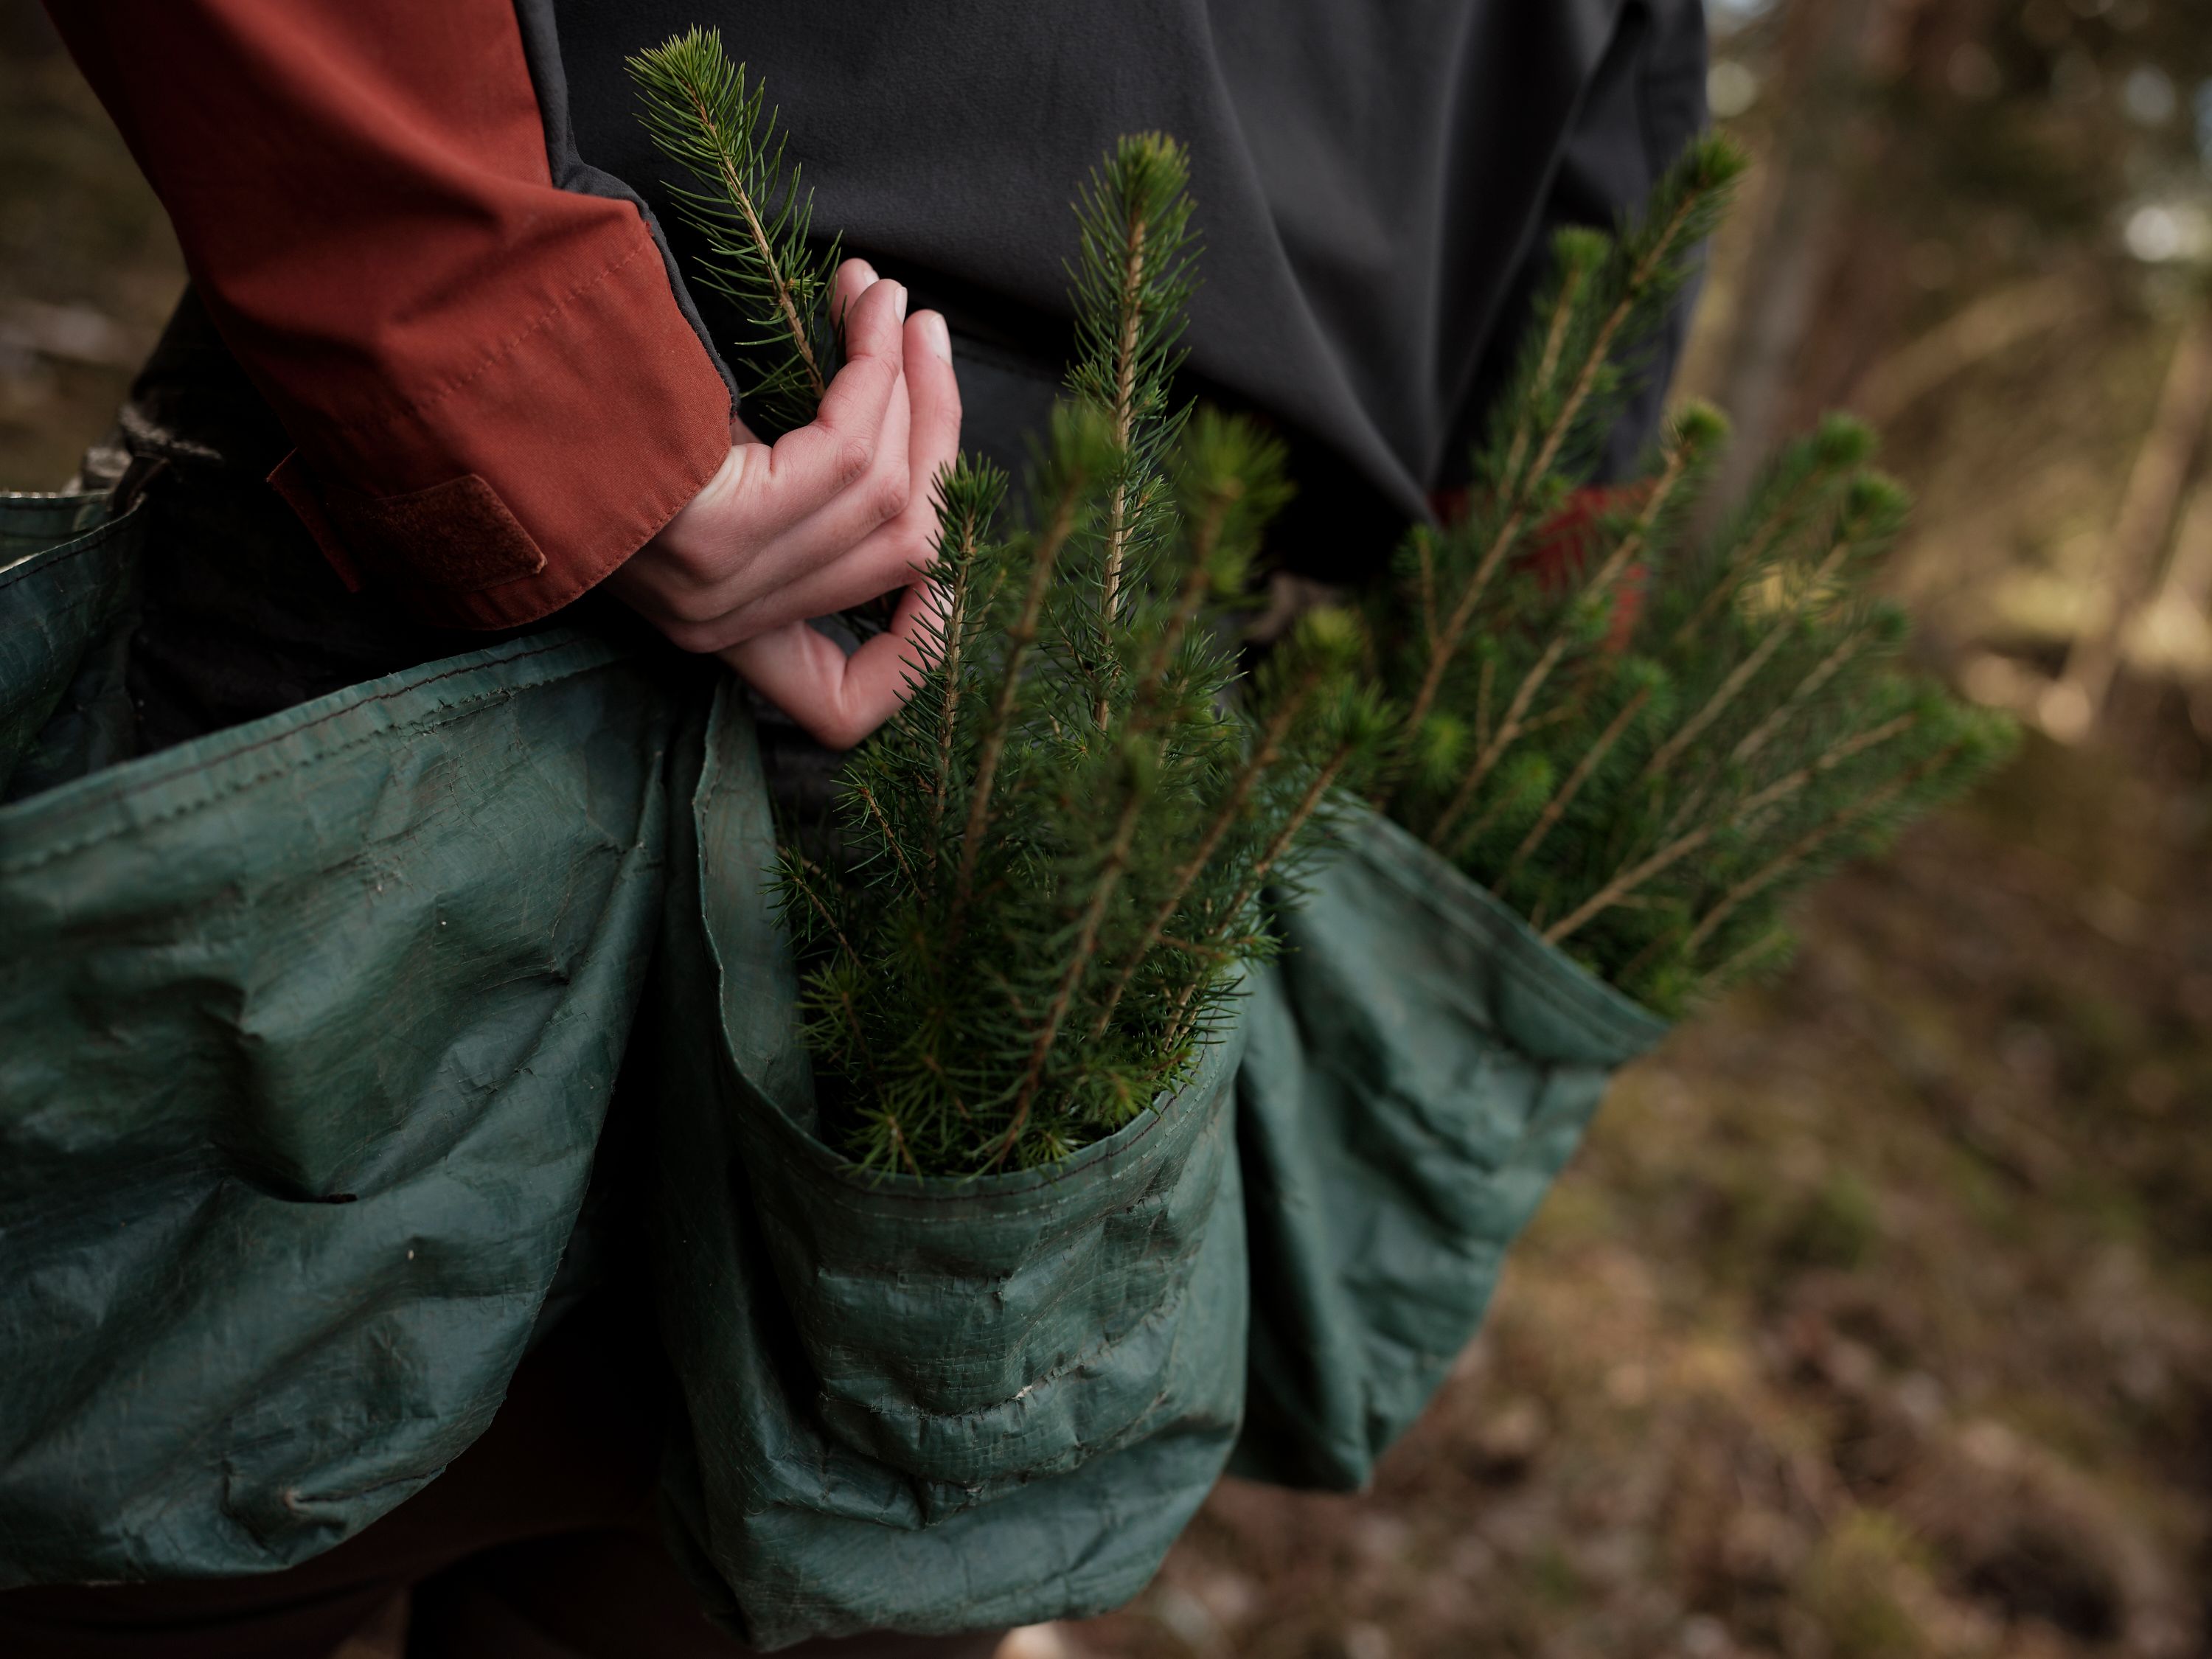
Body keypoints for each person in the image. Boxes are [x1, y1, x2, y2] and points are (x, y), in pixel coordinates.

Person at [4, 3, 1708, 1654]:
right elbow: (1556, 524)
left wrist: (547, 386)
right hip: (969, 767)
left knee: (115, 1542)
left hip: (451, 655)